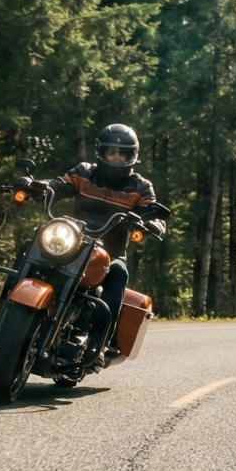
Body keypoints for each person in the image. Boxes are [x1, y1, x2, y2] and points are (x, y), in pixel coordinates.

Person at [38, 124, 164, 352]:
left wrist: (153, 224)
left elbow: (151, 211)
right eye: (111, 152)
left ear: (131, 156)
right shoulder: (84, 172)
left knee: (119, 273)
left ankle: (99, 342)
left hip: (111, 253)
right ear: (101, 152)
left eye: (122, 153)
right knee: (33, 245)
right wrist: (40, 186)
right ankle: (4, 309)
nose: (116, 157)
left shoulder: (141, 187)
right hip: (73, 243)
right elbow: (59, 185)